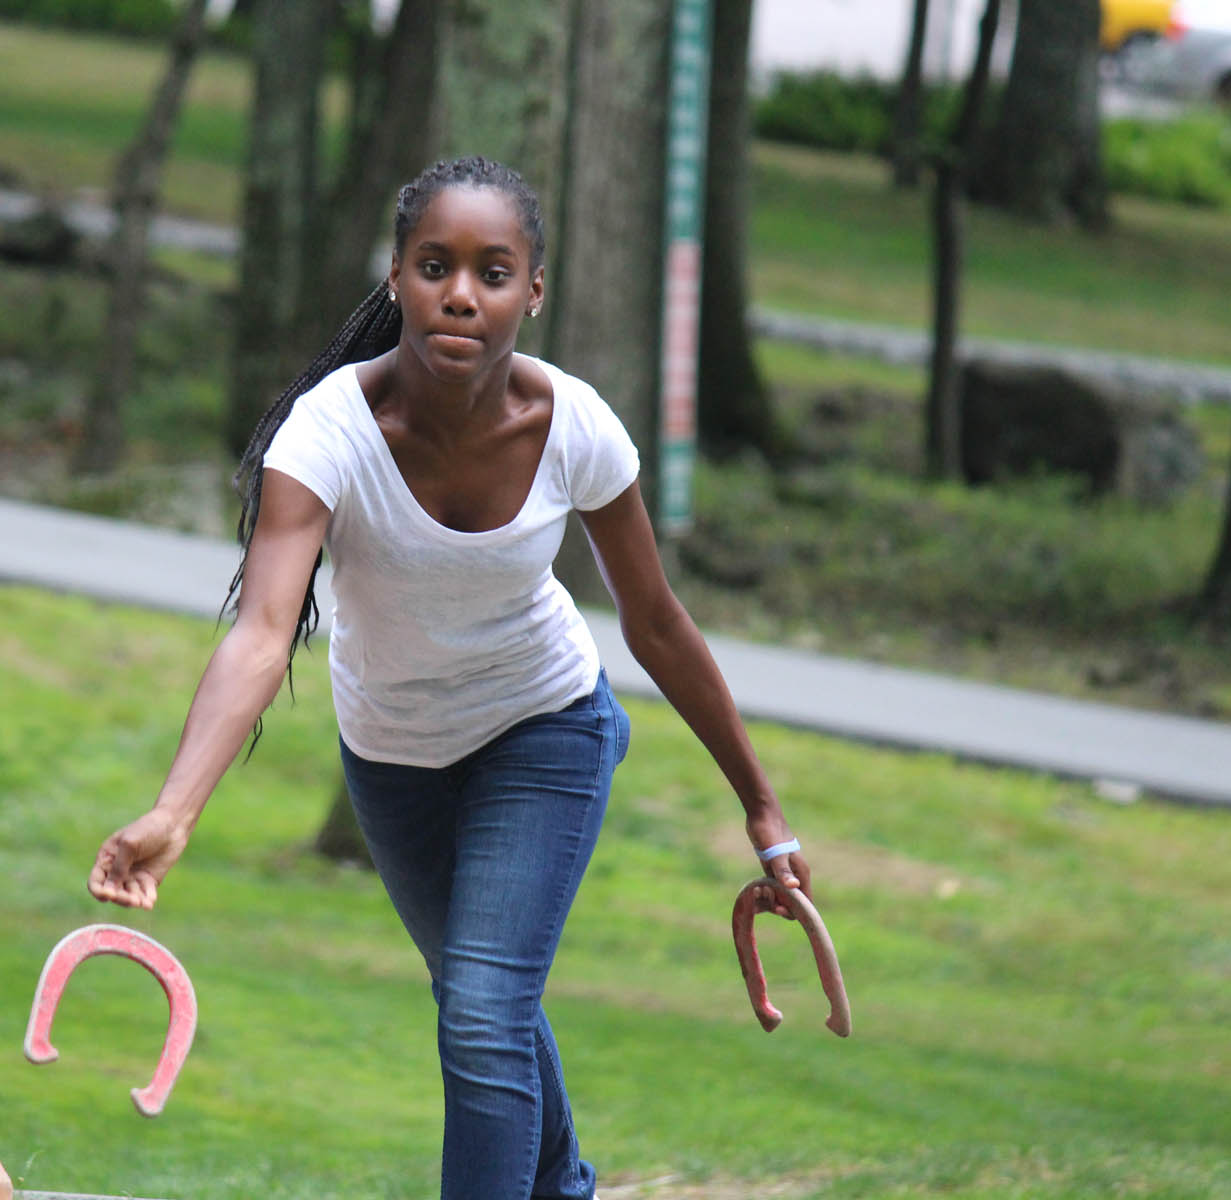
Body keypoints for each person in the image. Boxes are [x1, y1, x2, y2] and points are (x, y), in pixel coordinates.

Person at [88, 156, 811, 1200]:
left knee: (480, 1012)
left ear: (534, 291)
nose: (462, 293)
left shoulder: (575, 427)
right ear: (396, 277)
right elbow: (263, 631)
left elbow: (655, 622)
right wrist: (175, 811)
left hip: (543, 729)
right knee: (483, 1004)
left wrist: (763, 807)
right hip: (393, 759)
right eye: (435, 266)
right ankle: (564, 1188)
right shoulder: (332, 430)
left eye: (493, 271)